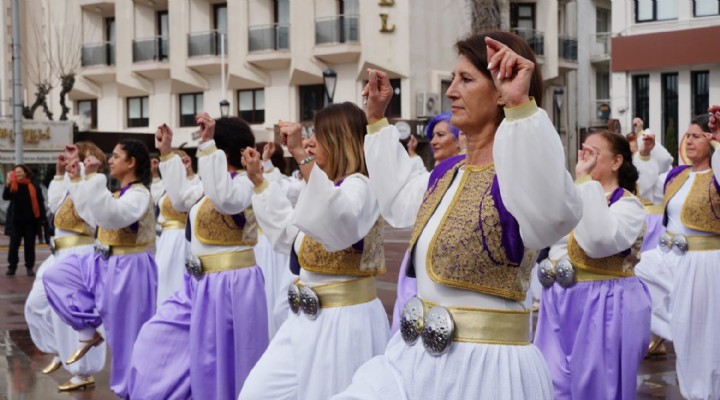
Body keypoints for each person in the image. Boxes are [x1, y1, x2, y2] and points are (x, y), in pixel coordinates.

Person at [333, 31, 582, 400]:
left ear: (502, 89)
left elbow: (552, 214)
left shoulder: (518, 173)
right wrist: (376, 122)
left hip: (486, 372)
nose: (451, 91)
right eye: (453, 79)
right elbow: (399, 199)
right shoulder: (445, 174)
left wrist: (522, 109)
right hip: (417, 361)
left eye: (465, 79)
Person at [238, 102, 389, 400]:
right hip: (304, 321)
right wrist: (260, 183)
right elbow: (289, 236)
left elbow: (339, 222)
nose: (309, 142)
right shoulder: (323, 188)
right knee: (257, 393)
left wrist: (299, 156)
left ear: (339, 139)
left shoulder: (361, 186)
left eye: (317, 136)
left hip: (343, 322)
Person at [128, 116, 268, 400]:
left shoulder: (244, 183)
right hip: (200, 284)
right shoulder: (211, 185)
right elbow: (179, 199)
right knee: (155, 337)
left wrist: (207, 145)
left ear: (222, 146)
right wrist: (166, 153)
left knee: (223, 360)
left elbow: (225, 199)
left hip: (230, 284)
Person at [534, 131, 650, 399]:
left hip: (603, 302)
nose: (585, 156)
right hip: (558, 299)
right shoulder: (574, 196)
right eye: (583, 150)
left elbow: (598, 241)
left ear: (616, 161)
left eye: (593, 152)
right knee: (552, 381)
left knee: (596, 385)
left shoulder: (628, 205)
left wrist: (585, 181)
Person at [43, 139, 157, 398]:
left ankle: (130, 391)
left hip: (130, 268)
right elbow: (91, 213)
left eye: (116, 156)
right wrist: (76, 175)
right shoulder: (117, 194)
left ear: (131, 163)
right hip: (102, 262)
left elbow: (110, 216)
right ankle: (87, 329)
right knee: (57, 275)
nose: (111, 160)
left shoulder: (139, 195)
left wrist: (92, 176)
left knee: (126, 337)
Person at [635, 109, 720, 400]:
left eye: (697, 136)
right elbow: (645, 187)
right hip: (669, 258)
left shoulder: (716, 176)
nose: (690, 141)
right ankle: (667, 330)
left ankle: (704, 393)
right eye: (688, 135)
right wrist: (645, 155)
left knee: (702, 335)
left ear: (711, 141)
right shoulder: (677, 175)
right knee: (635, 270)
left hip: (704, 266)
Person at [24, 143, 108, 391]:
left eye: (75, 157)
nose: (70, 160)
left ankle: (83, 372)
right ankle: (60, 350)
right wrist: (60, 173)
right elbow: (54, 204)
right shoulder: (71, 185)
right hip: (59, 254)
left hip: (80, 253)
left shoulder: (93, 183)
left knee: (75, 315)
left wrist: (78, 176)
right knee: (35, 305)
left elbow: (89, 213)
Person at [154, 148, 200, 307]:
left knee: (179, 279)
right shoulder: (165, 189)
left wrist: (188, 173)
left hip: (183, 239)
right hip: (165, 240)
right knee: (162, 277)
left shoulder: (195, 184)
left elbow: (191, 200)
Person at [3, 164, 46, 276]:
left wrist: (42, 219)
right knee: (13, 246)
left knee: (30, 246)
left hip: (30, 222)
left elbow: (40, 202)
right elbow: (5, 197)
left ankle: (29, 267)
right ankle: (12, 267)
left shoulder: (33, 185)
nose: (18, 174)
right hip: (16, 221)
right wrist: (7, 185)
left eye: (20, 172)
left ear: (25, 173)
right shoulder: (13, 185)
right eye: (16, 172)